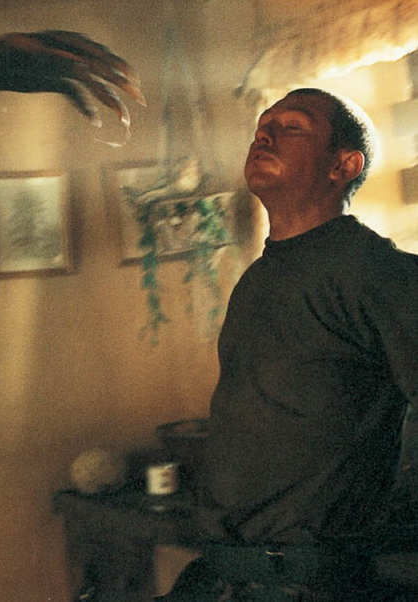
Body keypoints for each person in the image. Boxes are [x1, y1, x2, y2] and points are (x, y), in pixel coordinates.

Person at [158, 88, 418, 600]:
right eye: (262, 127)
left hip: (307, 582)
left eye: (292, 127)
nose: (265, 136)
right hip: (227, 576)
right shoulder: (258, 277)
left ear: (343, 165)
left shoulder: (378, 272)